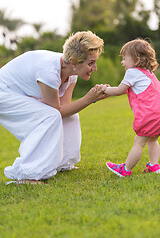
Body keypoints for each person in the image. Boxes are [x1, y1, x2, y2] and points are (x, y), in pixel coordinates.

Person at [0, 31, 107, 184]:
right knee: (49, 116)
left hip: (17, 92)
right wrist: (89, 99)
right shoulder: (49, 71)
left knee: (71, 115)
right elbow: (56, 111)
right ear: (74, 62)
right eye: (91, 63)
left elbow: (66, 109)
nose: (95, 68)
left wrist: (89, 99)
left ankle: (64, 163)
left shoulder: (72, 73)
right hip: (4, 93)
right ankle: (27, 174)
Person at [95, 38, 160, 177]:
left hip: (148, 115)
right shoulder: (149, 73)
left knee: (139, 142)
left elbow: (119, 90)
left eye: (124, 58)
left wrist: (104, 89)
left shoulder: (133, 72)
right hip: (158, 114)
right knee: (153, 139)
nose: (122, 62)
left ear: (136, 60)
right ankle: (154, 166)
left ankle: (125, 169)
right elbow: (129, 89)